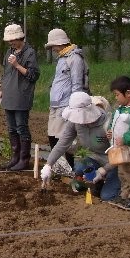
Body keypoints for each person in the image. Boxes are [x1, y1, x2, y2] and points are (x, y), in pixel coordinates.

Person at [40, 91, 120, 201]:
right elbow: (63, 143)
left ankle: (119, 184)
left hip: (113, 162)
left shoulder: (108, 123)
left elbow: (119, 153)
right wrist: (48, 165)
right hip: (92, 157)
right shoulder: (75, 122)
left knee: (107, 197)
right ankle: (97, 183)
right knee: (80, 168)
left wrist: (103, 171)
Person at [45, 28, 90, 170]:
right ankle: (61, 167)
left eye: (53, 45)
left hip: (66, 105)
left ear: (60, 43)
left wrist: (73, 108)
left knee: (66, 140)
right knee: (52, 136)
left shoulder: (75, 59)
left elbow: (77, 84)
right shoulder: (62, 58)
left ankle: (74, 171)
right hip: (56, 105)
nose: (52, 49)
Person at [0, 24, 40, 171]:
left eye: (13, 40)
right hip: (9, 95)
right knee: (11, 129)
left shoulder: (29, 53)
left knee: (21, 127)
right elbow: (6, 75)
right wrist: (1, 91)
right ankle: (15, 157)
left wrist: (17, 64)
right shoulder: (9, 52)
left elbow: (33, 75)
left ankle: (24, 159)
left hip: (22, 95)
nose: (11, 43)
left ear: (20, 38)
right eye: (9, 41)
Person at [103, 76, 130, 211]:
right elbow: (113, 123)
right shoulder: (120, 109)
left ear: (128, 93)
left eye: (117, 94)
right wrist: (110, 131)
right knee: (122, 173)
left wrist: (126, 139)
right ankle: (124, 195)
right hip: (120, 150)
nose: (116, 98)